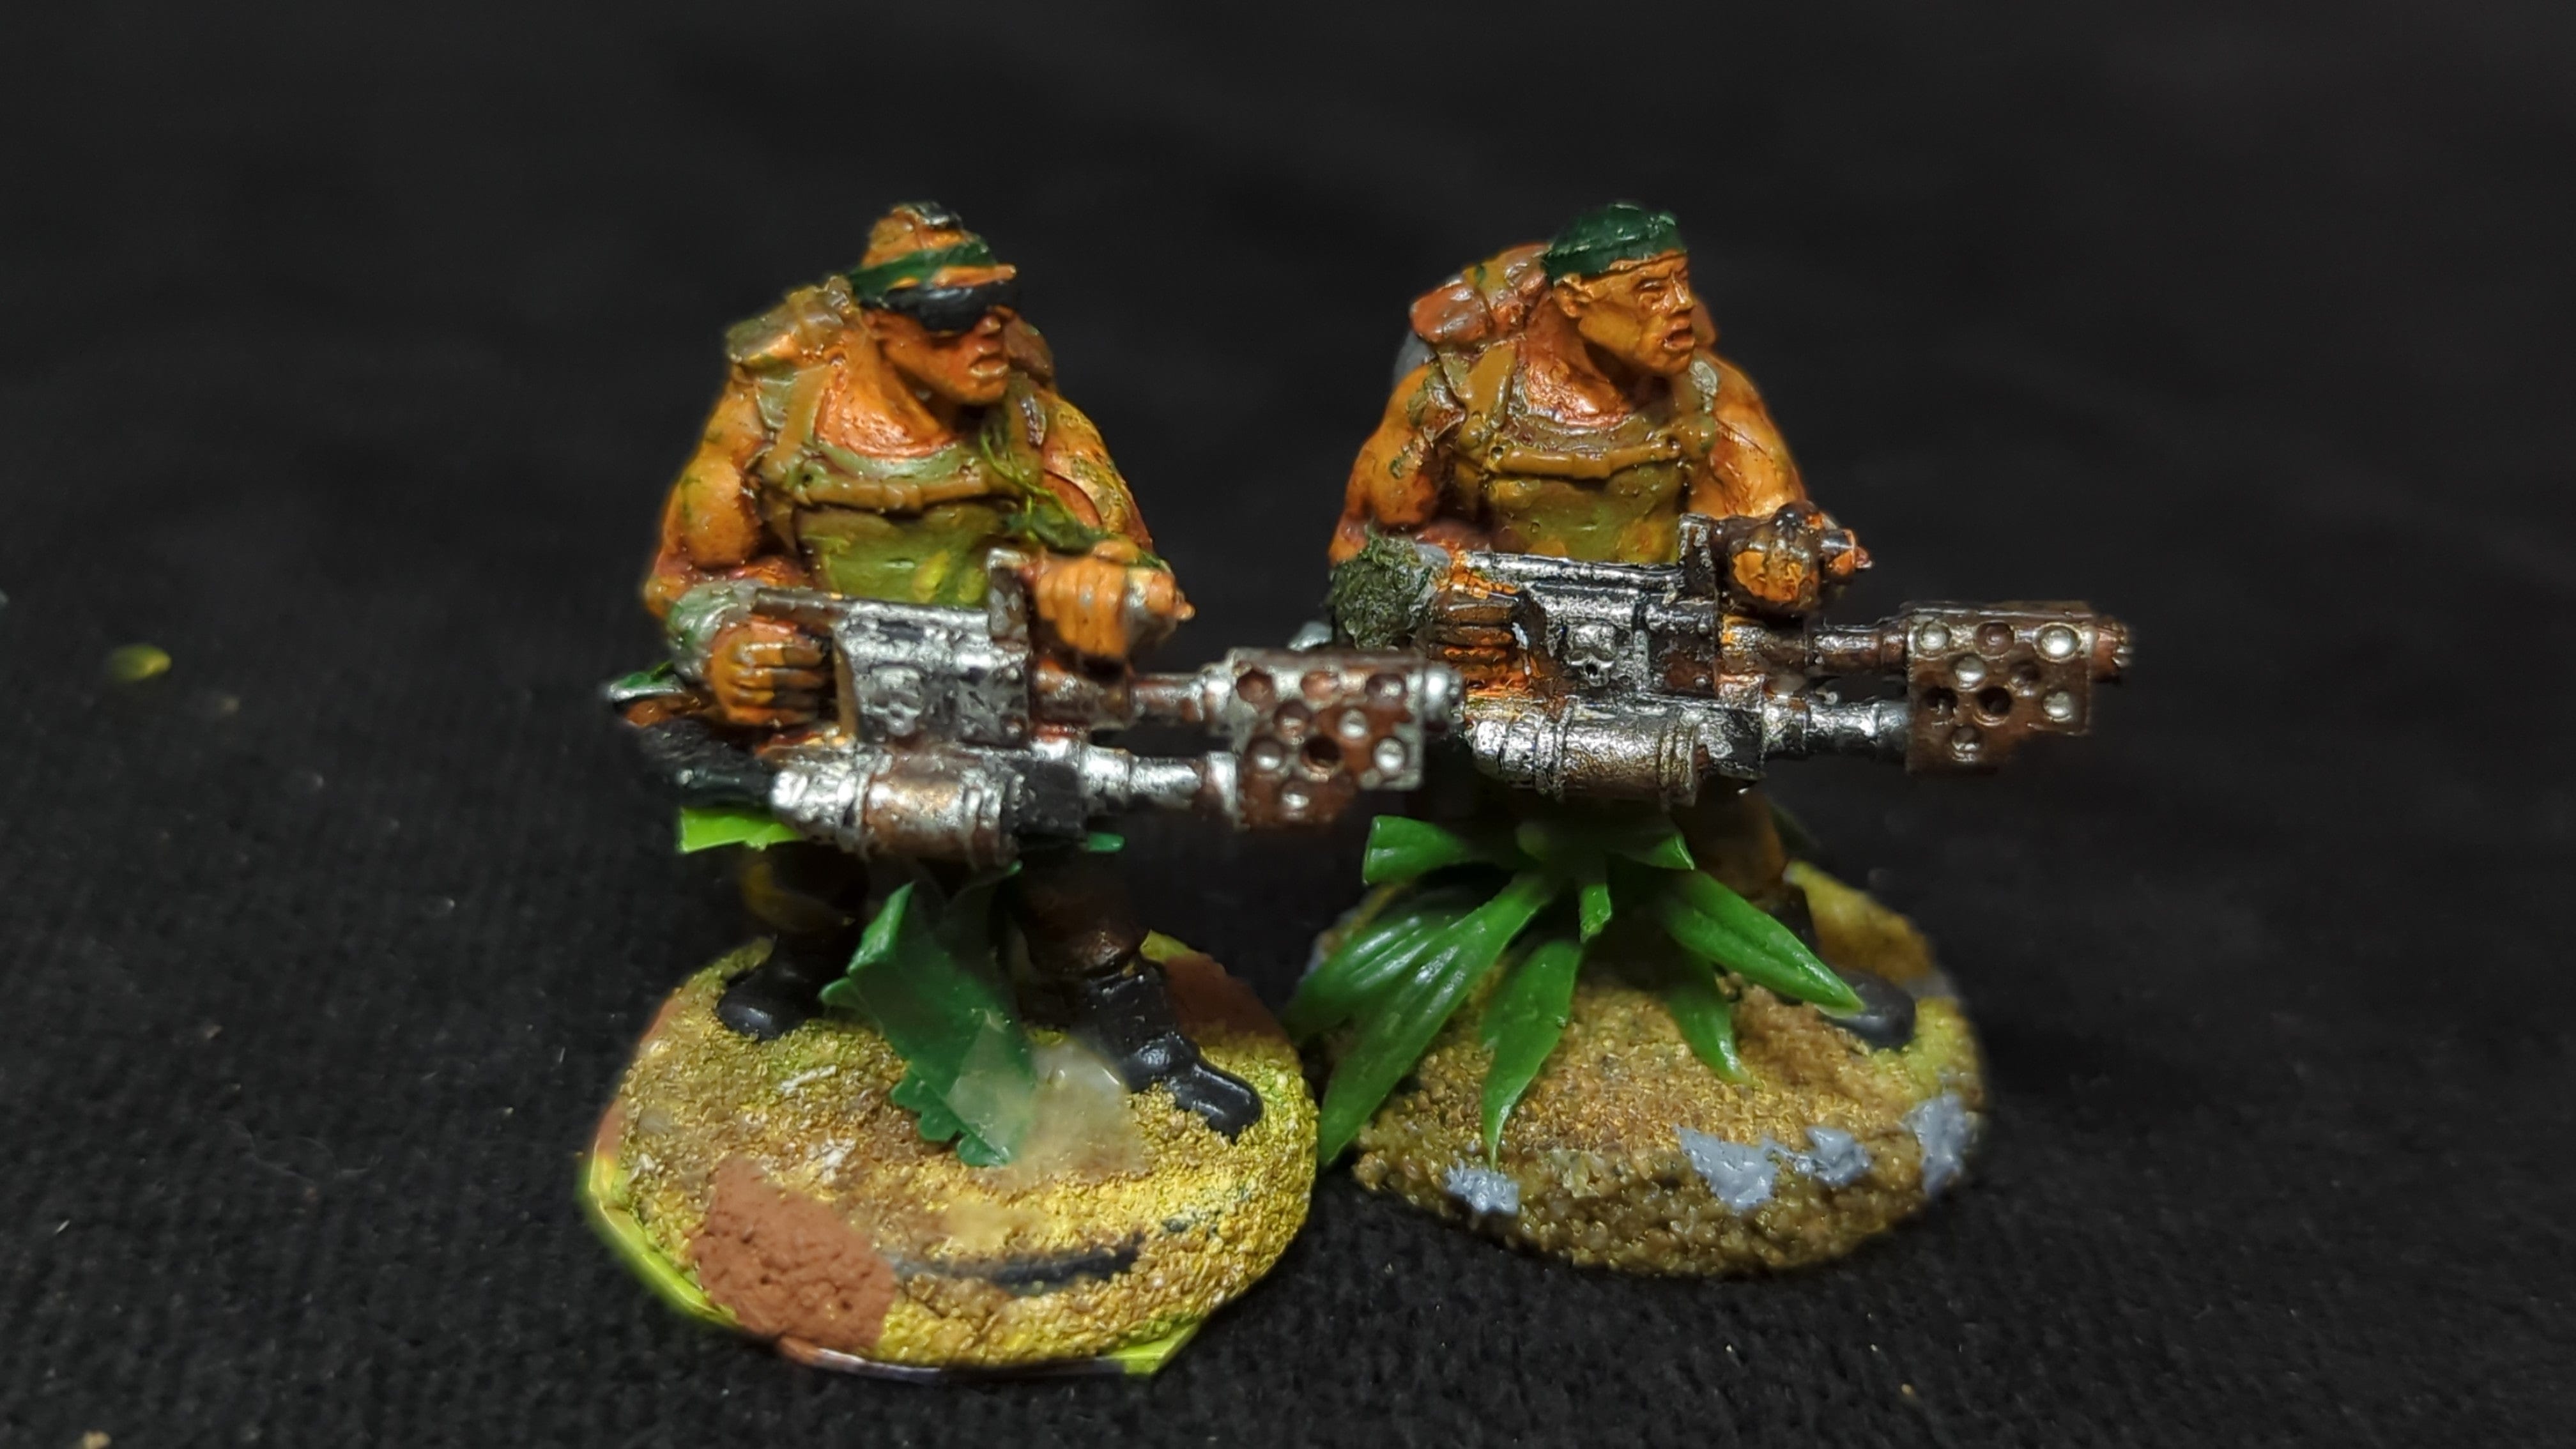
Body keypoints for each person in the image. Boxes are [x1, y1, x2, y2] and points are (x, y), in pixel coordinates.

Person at [639, 201, 1259, 1134]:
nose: (986, 341)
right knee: (803, 863)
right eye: (949, 322)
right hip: (835, 697)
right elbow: (691, 571)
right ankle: (803, 968)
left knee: (1064, 881)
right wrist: (728, 643)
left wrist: (1104, 597)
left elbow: (1133, 567)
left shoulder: (1033, 425)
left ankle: (1144, 1041)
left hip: (998, 696)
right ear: (880, 326)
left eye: (997, 311)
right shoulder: (776, 421)